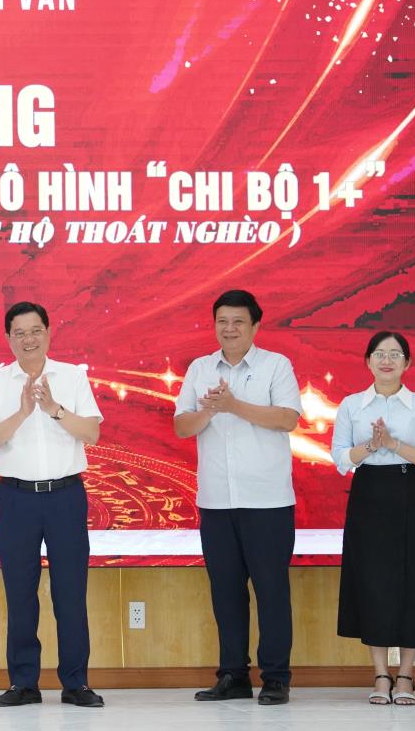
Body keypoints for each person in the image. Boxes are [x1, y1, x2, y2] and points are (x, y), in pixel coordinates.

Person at [0, 301, 106, 708]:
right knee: (20, 593)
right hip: (16, 499)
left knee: (70, 593)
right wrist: (24, 412)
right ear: (8, 338)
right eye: (19, 333)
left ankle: (76, 683)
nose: (28, 340)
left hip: (65, 496)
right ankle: (23, 683)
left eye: (35, 331)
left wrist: (53, 410)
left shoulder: (72, 376)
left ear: (48, 332)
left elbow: (92, 433)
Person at [173, 290, 302, 706]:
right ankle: (233, 675)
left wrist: (233, 405)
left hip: (267, 501)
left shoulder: (275, 366)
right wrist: (211, 410)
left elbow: (287, 419)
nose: (229, 329)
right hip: (216, 500)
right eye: (222, 321)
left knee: (271, 590)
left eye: (238, 322)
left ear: (255, 326)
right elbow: (182, 427)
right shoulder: (199, 368)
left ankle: (276, 677)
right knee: (226, 592)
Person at [330, 331, 415, 705]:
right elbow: (340, 458)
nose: (387, 360)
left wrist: (394, 445)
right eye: (380, 353)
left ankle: (406, 675)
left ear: (407, 363)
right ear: (368, 361)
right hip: (368, 493)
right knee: (373, 582)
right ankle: (380, 674)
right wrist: (371, 446)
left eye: (395, 354)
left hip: (411, 493)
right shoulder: (352, 405)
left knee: (414, 581)